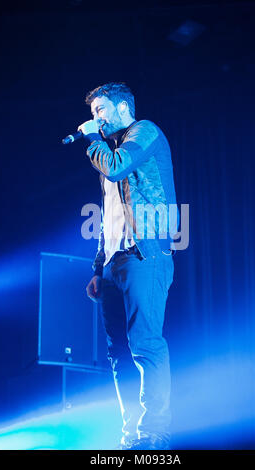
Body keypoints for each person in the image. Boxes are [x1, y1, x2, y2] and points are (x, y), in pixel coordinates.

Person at [78, 82, 178, 450]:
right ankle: (130, 436)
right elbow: (110, 214)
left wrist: (92, 140)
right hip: (113, 263)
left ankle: (155, 433)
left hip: (143, 255)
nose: (95, 119)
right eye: (93, 114)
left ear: (122, 107)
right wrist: (97, 266)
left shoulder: (144, 131)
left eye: (100, 111)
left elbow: (118, 168)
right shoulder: (110, 150)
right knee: (117, 352)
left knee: (145, 344)